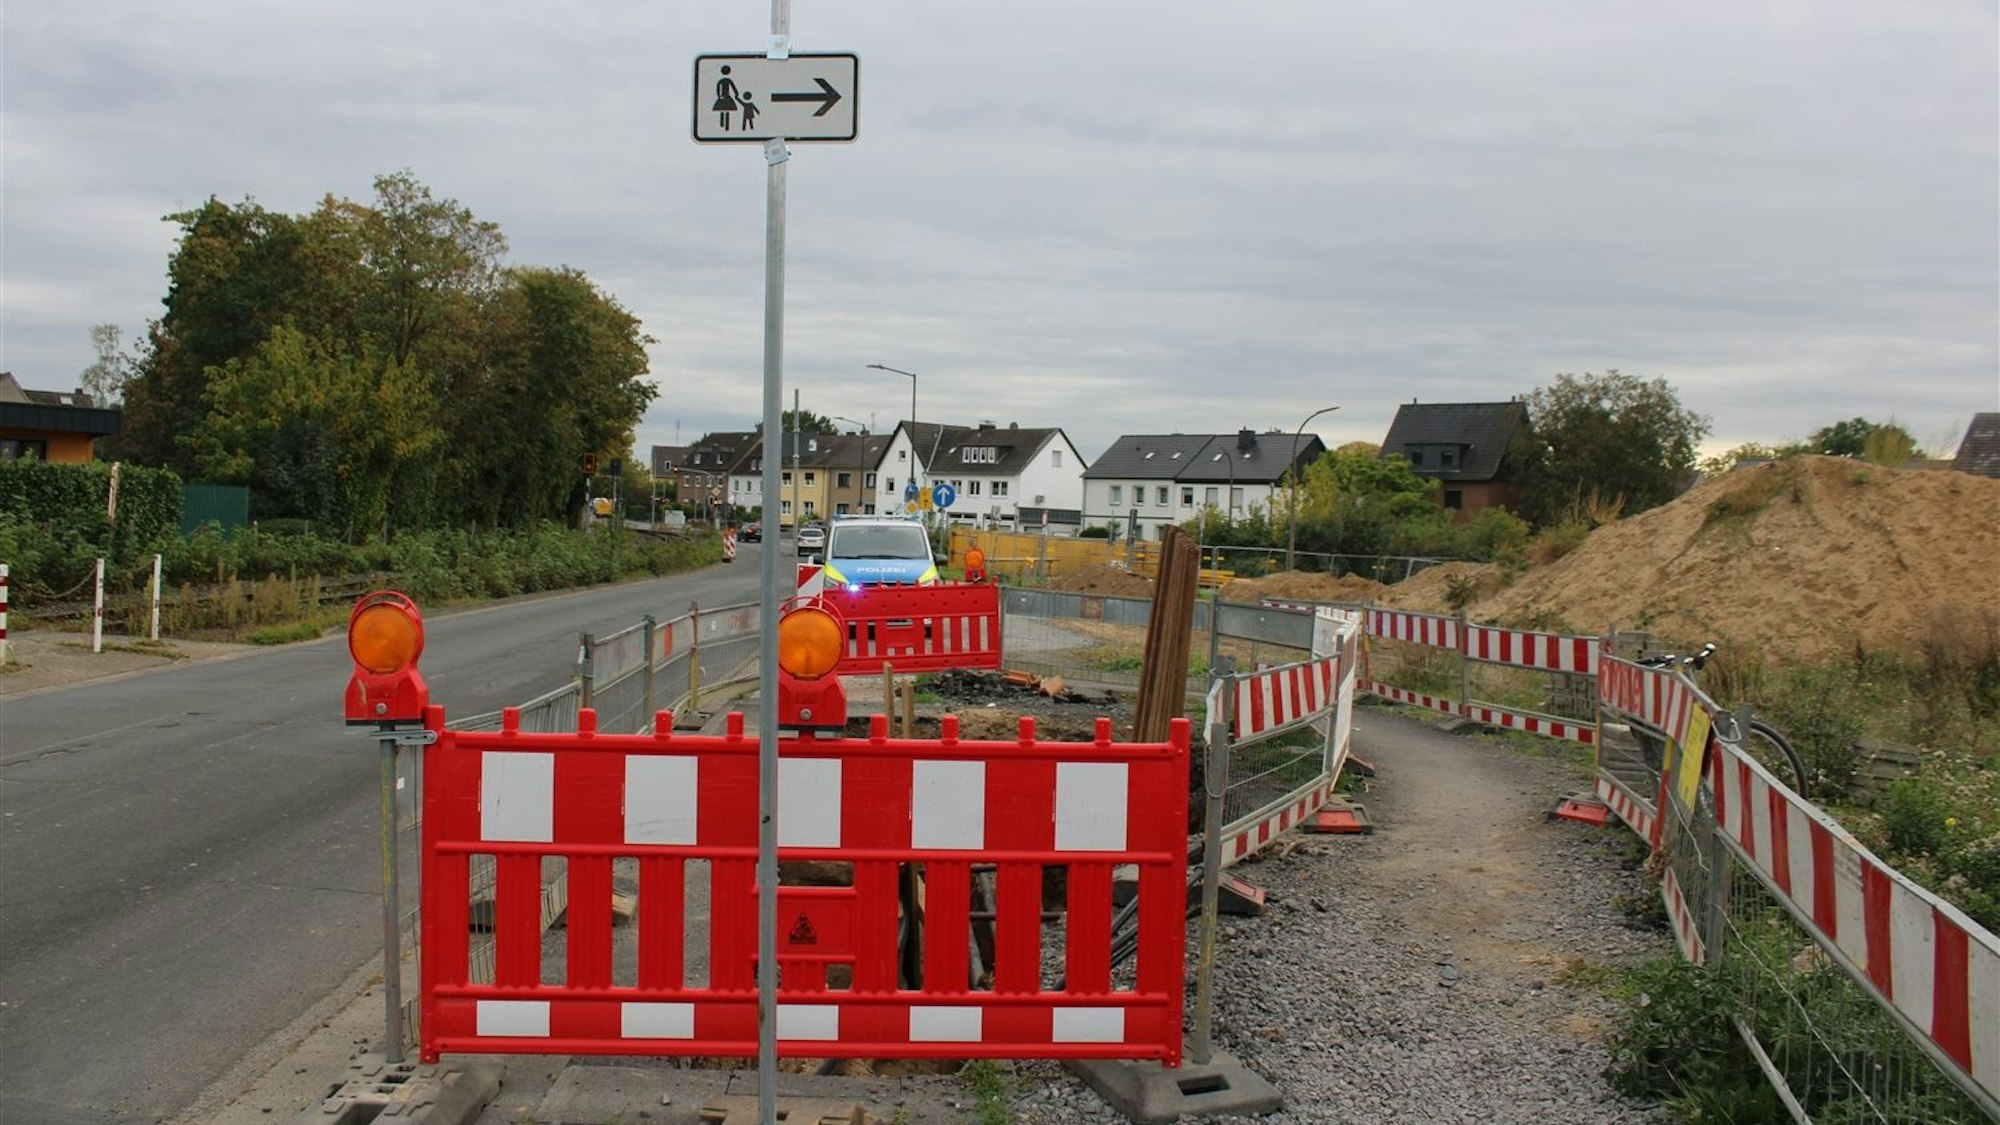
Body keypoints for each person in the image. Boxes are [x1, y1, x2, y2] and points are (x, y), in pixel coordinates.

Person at [712, 65, 739, 129]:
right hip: (724, 97)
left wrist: (718, 95)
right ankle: (722, 125)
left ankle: (725, 125)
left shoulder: (722, 81)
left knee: (726, 110)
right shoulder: (726, 80)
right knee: (723, 109)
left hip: (724, 97)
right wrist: (736, 94)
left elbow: (733, 87)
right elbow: (733, 88)